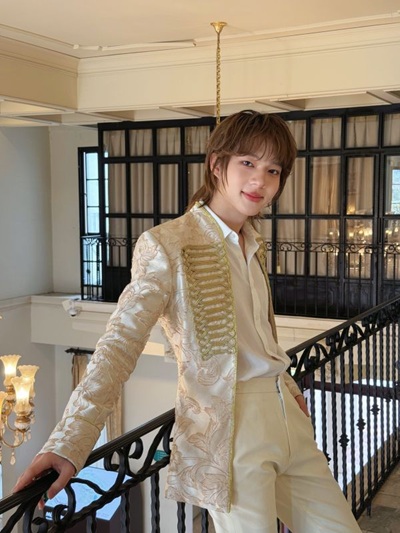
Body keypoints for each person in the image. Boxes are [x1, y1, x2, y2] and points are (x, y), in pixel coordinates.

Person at [14, 110, 361, 532]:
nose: (260, 181)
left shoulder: (254, 243)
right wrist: (70, 441)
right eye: (247, 163)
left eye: (273, 170)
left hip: (288, 417)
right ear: (217, 164)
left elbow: (259, 336)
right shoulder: (166, 244)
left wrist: (285, 386)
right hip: (229, 431)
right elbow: (119, 344)